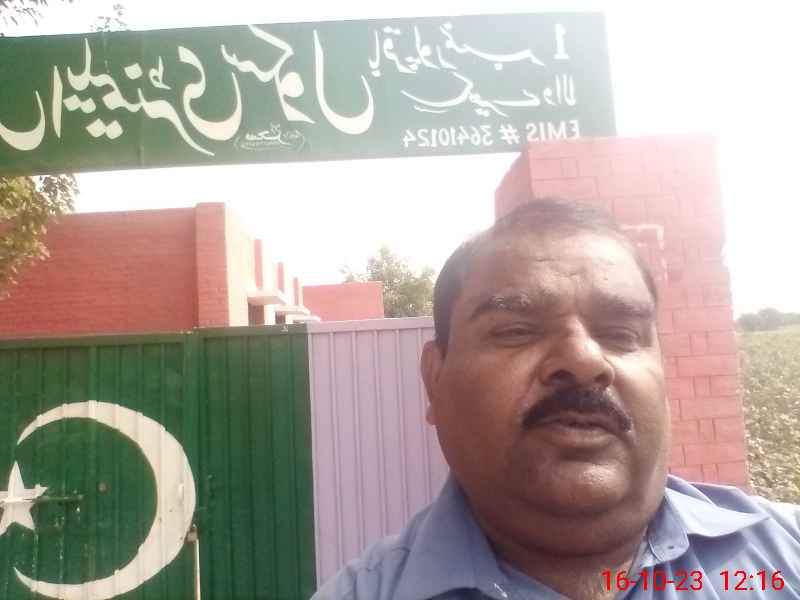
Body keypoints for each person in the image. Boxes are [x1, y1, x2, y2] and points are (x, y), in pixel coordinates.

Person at [312, 198, 800, 600]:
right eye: (516, 331)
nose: (585, 359)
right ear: (434, 381)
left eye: (620, 333)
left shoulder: (785, 559)